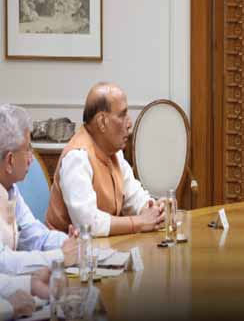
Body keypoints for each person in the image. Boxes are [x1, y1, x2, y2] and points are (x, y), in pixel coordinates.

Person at [46, 83, 164, 237]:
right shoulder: (77, 157)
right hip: (67, 249)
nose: (129, 124)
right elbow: (88, 224)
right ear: (102, 122)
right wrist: (139, 222)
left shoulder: (114, 152)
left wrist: (155, 209)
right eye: (122, 115)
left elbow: (133, 196)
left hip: (104, 247)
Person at [0, 104, 78, 275]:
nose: (31, 158)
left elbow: (35, 237)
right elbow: (3, 262)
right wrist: (60, 256)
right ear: (10, 160)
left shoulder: (10, 190)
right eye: (28, 148)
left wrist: (70, 243)